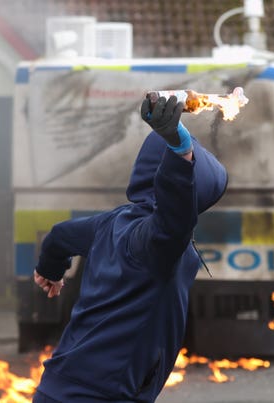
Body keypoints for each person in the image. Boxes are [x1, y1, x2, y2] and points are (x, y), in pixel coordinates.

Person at [32, 94, 228, 403]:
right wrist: (181, 153)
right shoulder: (157, 242)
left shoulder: (112, 223)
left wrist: (50, 269)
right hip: (102, 396)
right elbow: (173, 220)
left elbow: (59, 237)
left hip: (57, 388)